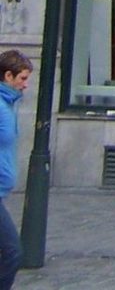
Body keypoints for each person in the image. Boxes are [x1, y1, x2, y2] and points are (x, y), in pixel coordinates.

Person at [0, 47, 32, 290]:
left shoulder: (9, 104)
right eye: (22, 78)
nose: (25, 84)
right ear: (7, 76)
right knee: (12, 251)